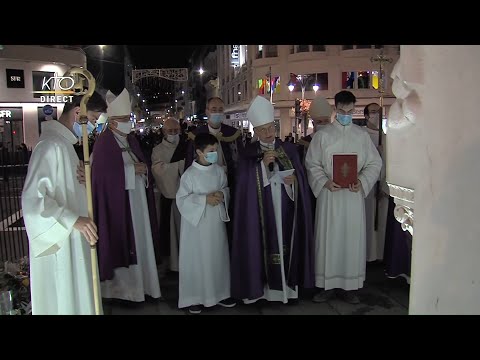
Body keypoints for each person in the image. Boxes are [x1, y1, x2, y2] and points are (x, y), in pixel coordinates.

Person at [21, 93, 106, 315]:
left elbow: (66, 189)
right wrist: (72, 219)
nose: (94, 127)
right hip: (63, 240)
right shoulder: (50, 146)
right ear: (78, 113)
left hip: (74, 238)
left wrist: (85, 182)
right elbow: (33, 200)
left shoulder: (65, 145)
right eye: (94, 120)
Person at [230, 95, 314, 304]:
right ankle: (261, 290)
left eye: (270, 128)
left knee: (285, 242)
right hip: (260, 211)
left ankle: (286, 290)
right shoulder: (248, 154)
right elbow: (243, 185)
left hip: (285, 205)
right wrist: (260, 166)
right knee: (260, 244)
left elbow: (300, 180)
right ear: (255, 131)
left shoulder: (290, 149)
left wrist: (293, 182)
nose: (268, 134)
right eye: (263, 130)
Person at [305, 90, 382, 304]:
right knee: (329, 239)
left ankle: (350, 287)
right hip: (330, 196)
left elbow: (375, 163)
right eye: (342, 111)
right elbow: (312, 164)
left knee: (351, 239)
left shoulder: (362, 136)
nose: (346, 115)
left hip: (353, 197)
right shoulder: (323, 136)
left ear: (354, 109)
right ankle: (327, 286)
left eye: (350, 111)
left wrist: (363, 181)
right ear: (335, 109)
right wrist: (325, 182)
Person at [91, 88, 161, 303]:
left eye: (128, 118)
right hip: (120, 205)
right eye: (123, 119)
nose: (128, 123)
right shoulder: (104, 143)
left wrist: (144, 169)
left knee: (141, 241)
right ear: (112, 122)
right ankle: (122, 292)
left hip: (136, 201)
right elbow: (101, 176)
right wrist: (132, 171)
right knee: (125, 242)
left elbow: (142, 163)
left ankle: (144, 287)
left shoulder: (131, 140)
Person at [176, 133, 235, 314]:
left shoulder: (218, 170)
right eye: (211, 151)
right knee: (197, 260)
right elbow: (182, 200)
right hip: (197, 229)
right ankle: (195, 297)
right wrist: (204, 200)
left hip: (215, 225)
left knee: (217, 258)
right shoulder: (189, 174)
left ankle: (220, 293)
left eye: (216, 150)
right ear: (199, 152)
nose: (214, 154)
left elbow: (226, 188)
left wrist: (222, 195)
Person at [151, 117, 187, 273]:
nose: (173, 133)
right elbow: (158, 171)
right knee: (172, 234)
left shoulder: (186, 146)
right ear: (164, 132)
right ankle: (173, 265)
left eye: (176, 130)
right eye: (170, 131)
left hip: (187, 196)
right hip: (170, 197)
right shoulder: (158, 150)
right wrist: (179, 165)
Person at [363, 103, 389, 262]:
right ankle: (366, 255)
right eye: (373, 112)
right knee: (367, 220)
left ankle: (380, 255)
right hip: (367, 186)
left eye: (379, 112)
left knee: (381, 222)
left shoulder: (385, 137)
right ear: (366, 116)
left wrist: (385, 183)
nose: (376, 115)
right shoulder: (361, 135)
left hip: (382, 186)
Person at [297, 96, 333, 164]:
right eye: (319, 122)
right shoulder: (304, 143)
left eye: (326, 121)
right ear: (314, 124)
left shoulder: (336, 139)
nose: (323, 124)